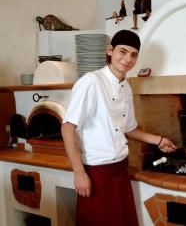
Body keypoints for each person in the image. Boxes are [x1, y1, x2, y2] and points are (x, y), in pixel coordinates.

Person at [61, 30, 177, 226]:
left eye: (133, 55)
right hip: (96, 173)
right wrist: (79, 173)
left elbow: (128, 129)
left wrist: (158, 140)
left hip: (119, 170)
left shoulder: (126, 87)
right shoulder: (91, 82)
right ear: (110, 50)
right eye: (122, 52)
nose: (127, 59)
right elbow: (67, 127)